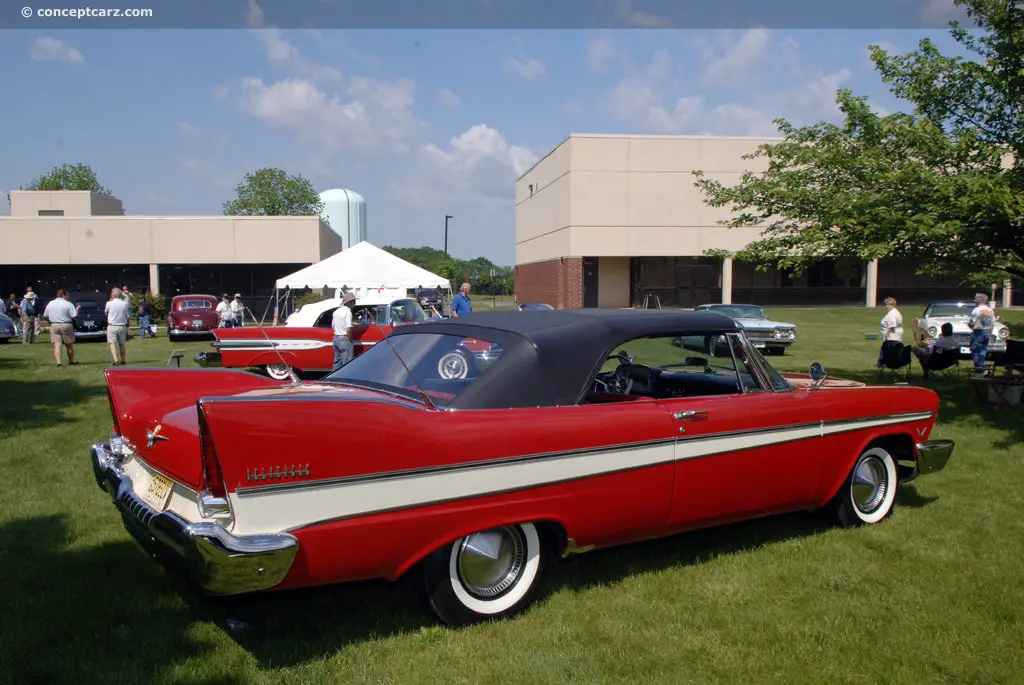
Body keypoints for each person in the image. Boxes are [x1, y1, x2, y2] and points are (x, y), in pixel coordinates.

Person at [42, 288, 80, 366]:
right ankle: (71, 361)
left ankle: (58, 362)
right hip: (66, 324)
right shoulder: (68, 304)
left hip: (54, 324)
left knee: (57, 344)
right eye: (67, 295)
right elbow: (74, 315)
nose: (68, 296)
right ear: (63, 295)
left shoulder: (50, 303)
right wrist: (77, 309)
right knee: (69, 344)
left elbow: (45, 315)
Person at [969, 292, 996, 374]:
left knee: (975, 351)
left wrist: (969, 326)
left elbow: (972, 323)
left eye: (976, 301)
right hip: (987, 332)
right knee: (983, 351)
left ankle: (981, 369)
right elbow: (992, 323)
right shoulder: (990, 310)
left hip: (978, 332)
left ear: (978, 301)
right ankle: (981, 368)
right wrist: (989, 333)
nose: (975, 302)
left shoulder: (976, 310)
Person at [105, 287, 132, 365]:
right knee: (122, 343)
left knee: (112, 343)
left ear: (113, 294)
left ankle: (116, 360)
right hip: (122, 325)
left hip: (112, 325)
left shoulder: (109, 303)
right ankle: (123, 359)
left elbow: (106, 313)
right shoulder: (125, 304)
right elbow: (126, 314)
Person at [876, 296, 903, 368]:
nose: (886, 306)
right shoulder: (894, 312)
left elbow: (891, 326)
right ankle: (882, 363)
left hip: (891, 339)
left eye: (888, 304)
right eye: (886, 304)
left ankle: (881, 364)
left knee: (886, 352)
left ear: (893, 305)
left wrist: (886, 336)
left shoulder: (892, 314)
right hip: (894, 338)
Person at [331, 292, 356, 371]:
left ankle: (334, 380)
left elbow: (333, 326)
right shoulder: (348, 312)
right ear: (349, 302)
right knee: (347, 364)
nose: (355, 303)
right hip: (344, 338)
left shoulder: (336, 312)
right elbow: (348, 328)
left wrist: (338, 332)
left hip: (336, 338)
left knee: (337, 362)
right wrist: (350, 340)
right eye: (354, 301)